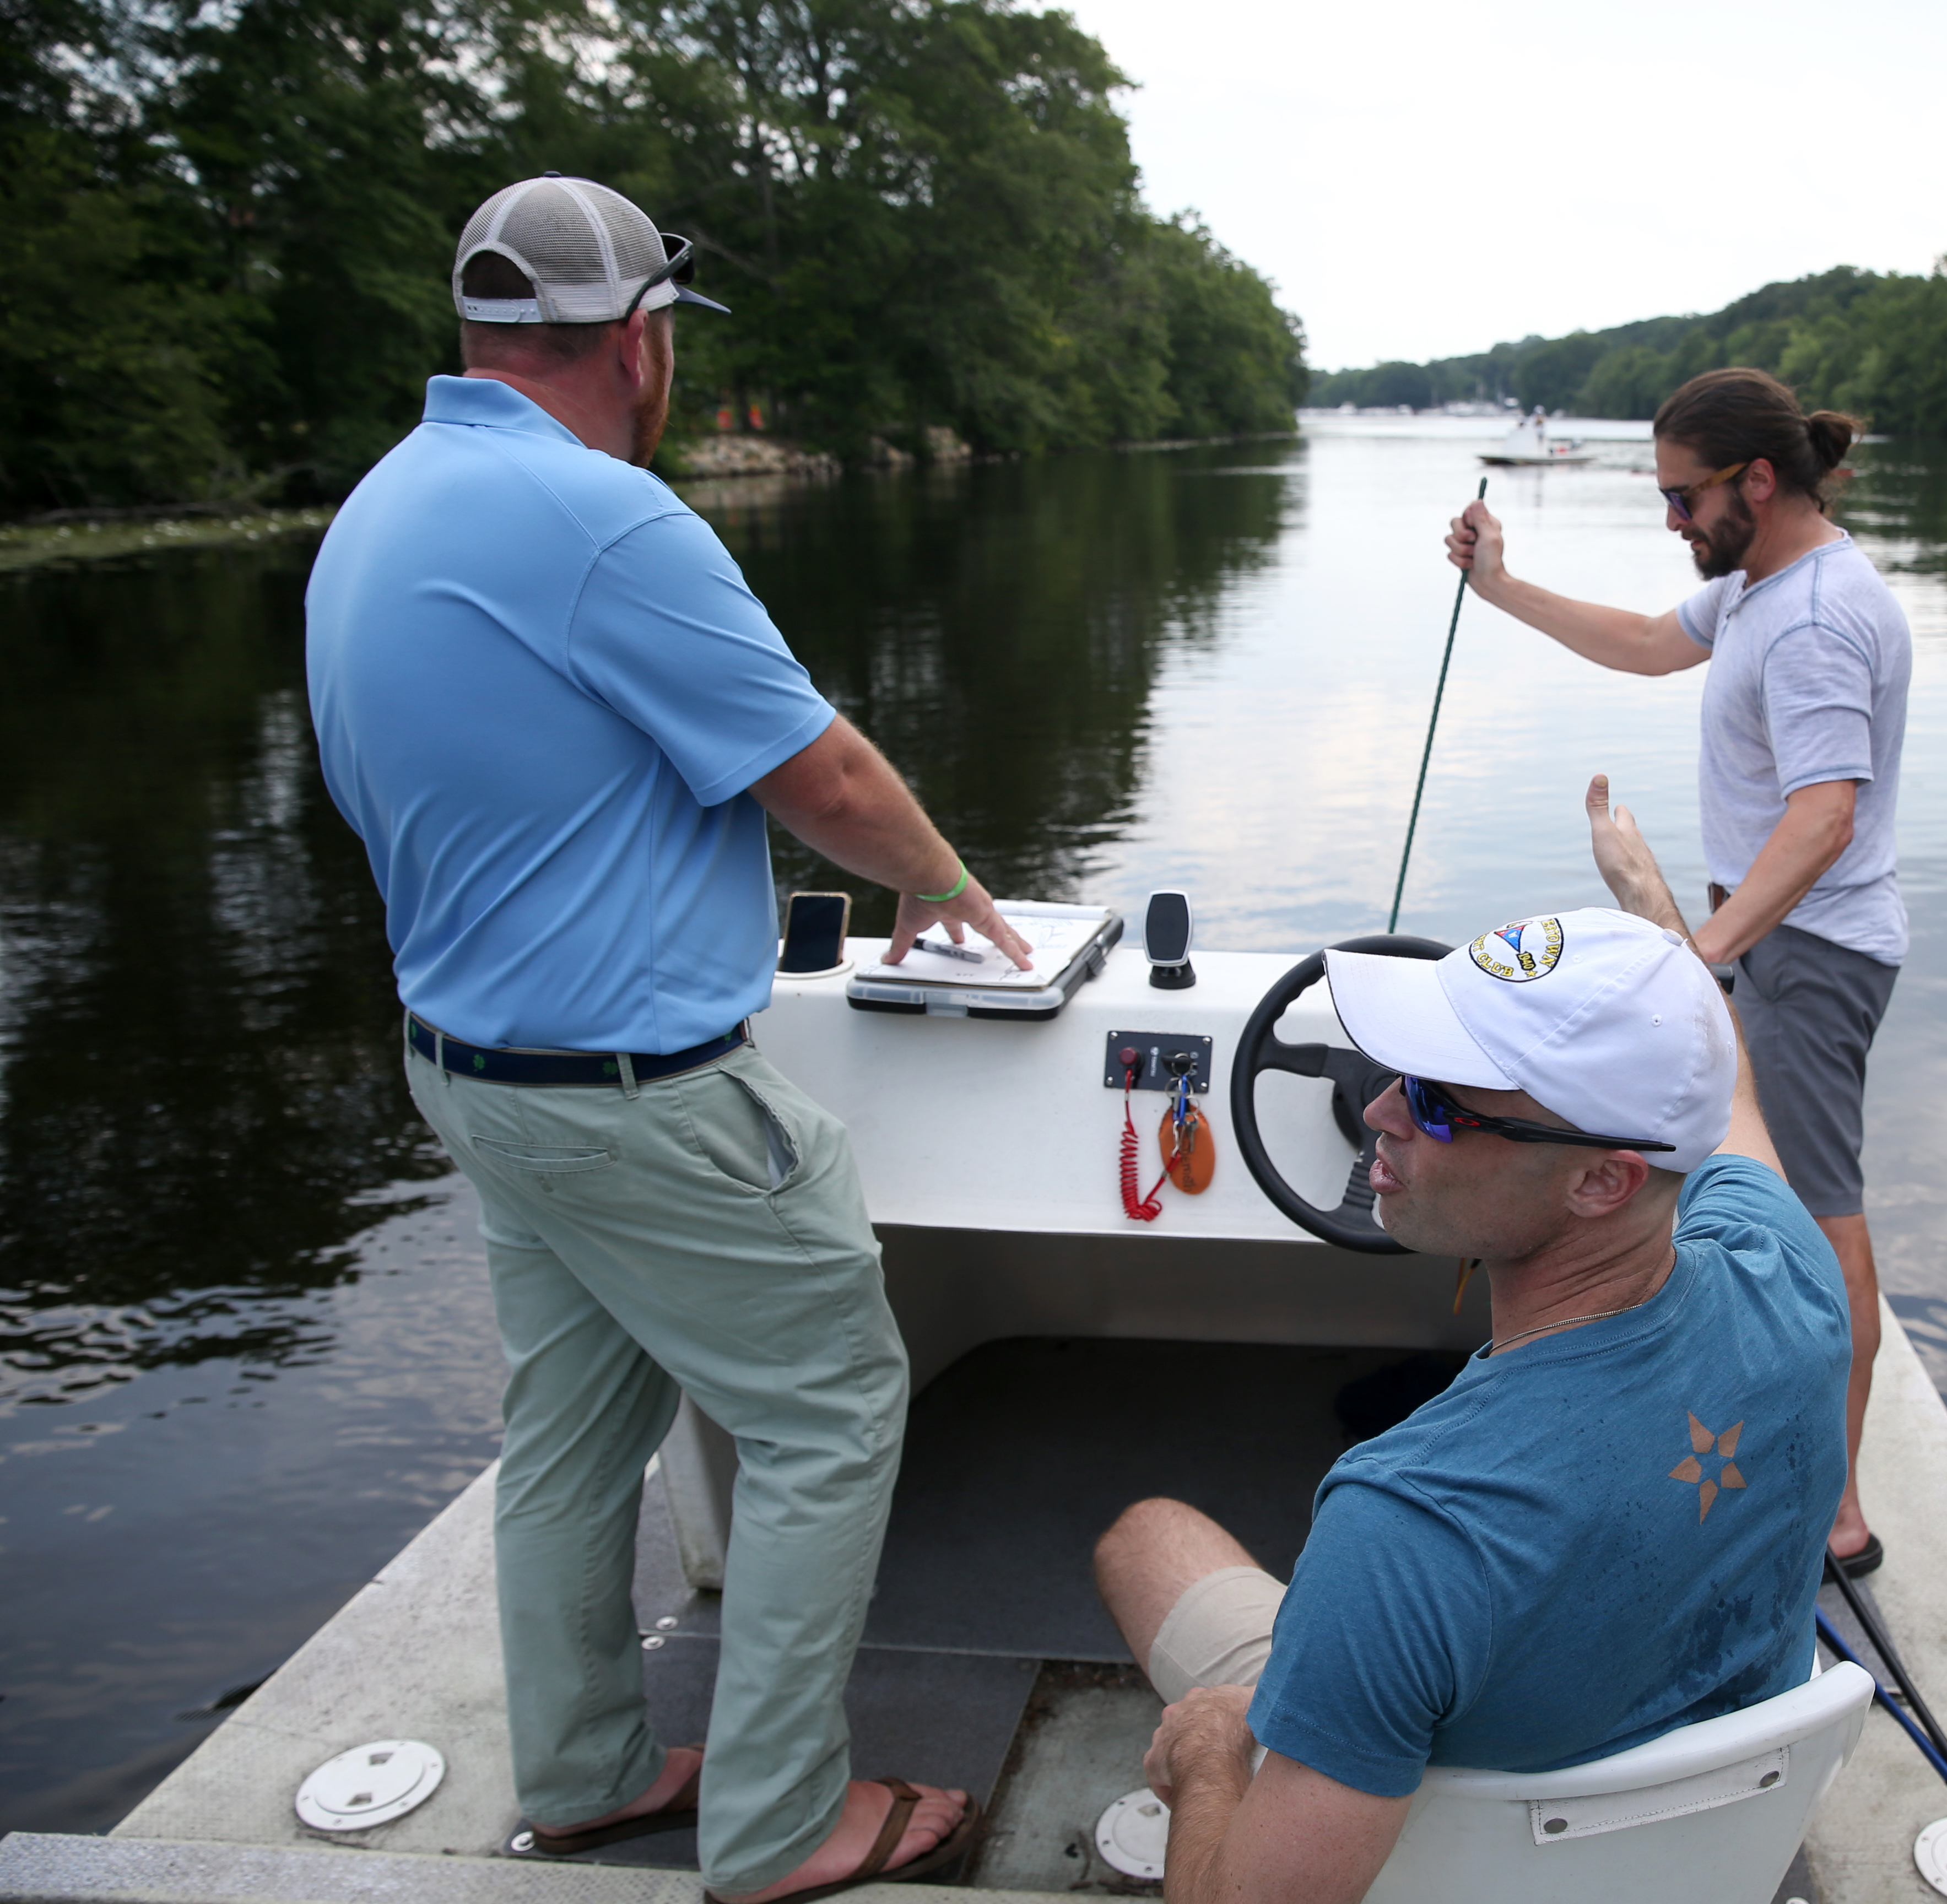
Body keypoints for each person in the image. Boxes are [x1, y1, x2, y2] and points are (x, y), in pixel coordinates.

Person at [303, 172, 1029, 1904]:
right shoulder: (606, 521)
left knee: (571, 1431)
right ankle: (783, 1829)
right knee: (833, 1410)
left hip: (472, 1074)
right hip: (635, 1099)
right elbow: (827, 775)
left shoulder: (382, 508)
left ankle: (588, 1772)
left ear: (480, 332)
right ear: (640, 344)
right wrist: (943, 883)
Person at [1088, 792, 1848, 1904]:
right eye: (1400, 1073)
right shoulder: (1789, 1266)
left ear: (1603, 1180)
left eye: (1441, 1106)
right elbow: (1723, 1091)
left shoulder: (1403, 1530)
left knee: (1145, 1540)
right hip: (1704, 1824)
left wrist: (1209, 1761)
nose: (1383, 1112)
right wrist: (1653, 919)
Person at [1442, 366, 1910, 1576]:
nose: (1670, 522)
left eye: (1682, 496)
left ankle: (1840, 1510)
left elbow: (1825, 819)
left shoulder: (1811, 620)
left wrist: (1697, 957)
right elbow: (1651, 645)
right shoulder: (1763, 586)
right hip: (1772, 937)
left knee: (1819, 1216)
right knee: (1770, 1191)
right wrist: (1497, 588)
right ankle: (1799, 1462)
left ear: (1758, 480)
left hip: (1808, 951)